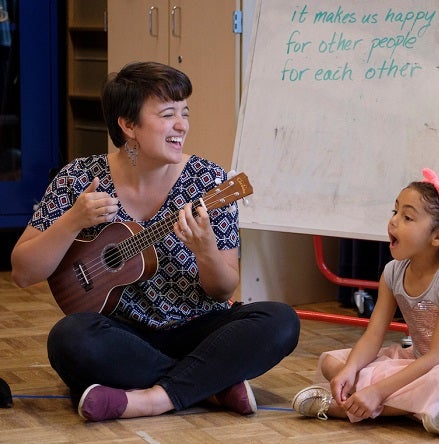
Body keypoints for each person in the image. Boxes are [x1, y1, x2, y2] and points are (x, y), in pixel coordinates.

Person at [10, 61, 300, 421]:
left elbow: (224, 289)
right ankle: (209, 383)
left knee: (281, 320)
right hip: (122, 335)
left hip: (199, 329)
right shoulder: (79, 178)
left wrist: (206, 250)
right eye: (167, 115)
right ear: (128, 125)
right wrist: (73, 221)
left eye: (184, 113)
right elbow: (23, 272)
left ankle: (151, 399)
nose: (182, 126)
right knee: (69, 338)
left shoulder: (209, 181)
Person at [291, 168, 439, 435]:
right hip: (419, 359)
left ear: (438, 237)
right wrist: (351, 369)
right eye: (395, 212)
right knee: (333, 363)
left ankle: (342, 409)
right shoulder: (393, 272)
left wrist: (377, 391)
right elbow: (373, 335)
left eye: (407, 217)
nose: (393, 222)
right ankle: (423, 410)